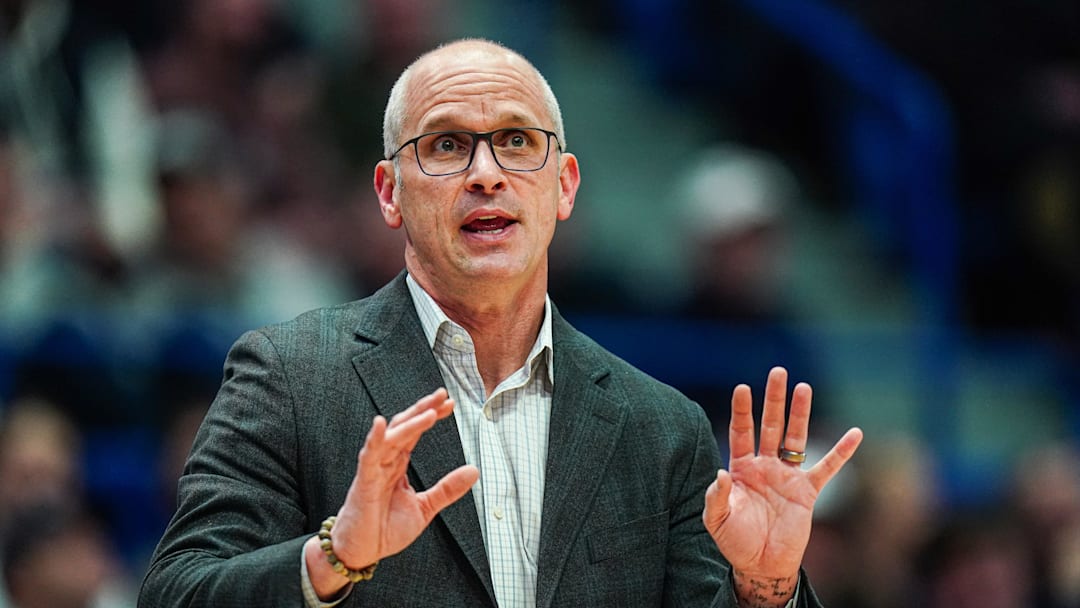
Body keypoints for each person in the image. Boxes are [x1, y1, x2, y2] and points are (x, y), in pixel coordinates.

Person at [138, 38, 862, 608]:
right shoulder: (291, 376)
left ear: (564, 186)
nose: (487, 172)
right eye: (447, 145)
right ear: (389, 193)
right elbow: (175, 594)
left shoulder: (660, 428)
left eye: (518, 142)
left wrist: (764, 591)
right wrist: (331, 559)